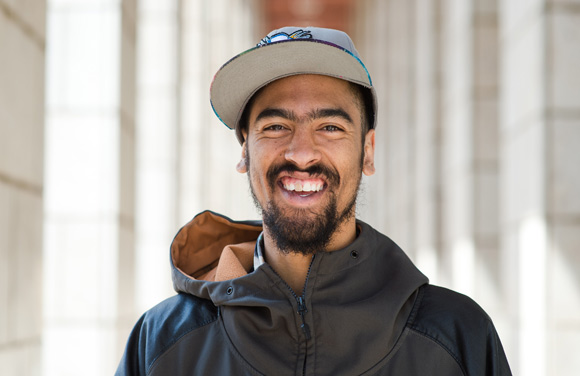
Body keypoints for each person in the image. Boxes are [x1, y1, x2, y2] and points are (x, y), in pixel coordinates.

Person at [116, 26, 511, 375]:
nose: (301, 153)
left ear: (368, 151)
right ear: (244, 152)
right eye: (275, 126)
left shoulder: (457, 339)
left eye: (330, 127)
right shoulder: (161, 344)